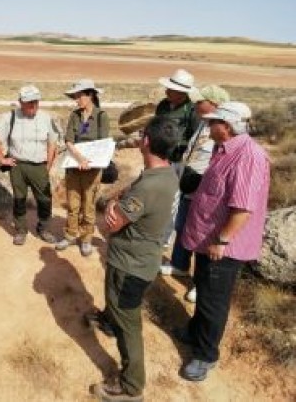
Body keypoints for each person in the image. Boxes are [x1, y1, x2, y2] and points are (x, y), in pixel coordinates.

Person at [89, 116, 180, 401]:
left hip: (130, 264)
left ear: (147, 142)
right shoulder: (165, 174)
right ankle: (107, 320)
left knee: (129, 324)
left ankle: (131, 386)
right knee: (118, 309)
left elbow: (111, 223)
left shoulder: (147, 186)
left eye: (142, 135)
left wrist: (116, 202)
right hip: (142, 259)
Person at [177, 102, 269, 382]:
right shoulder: (224, 148)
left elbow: (242, 208)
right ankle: (195, 331)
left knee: (213, 301)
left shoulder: (248, 157)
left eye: (213, 122)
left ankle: (205, 355)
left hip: (223, 245)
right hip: (208, 238)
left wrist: (221, 240)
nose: (208, 125)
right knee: (203, 287)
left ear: (226, 127)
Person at [160, 86, 230, 304]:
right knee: (182, 226)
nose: (196, 104)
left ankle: (202, 285)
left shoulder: (224, 131)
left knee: (204, 237)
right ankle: (179, 265)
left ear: (214, 104)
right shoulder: (203, 123)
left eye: (201, 101)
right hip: (189, 187)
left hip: (207, 193)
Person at [0, 85, 59, 245]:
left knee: (44, 199)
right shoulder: (11, 117)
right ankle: (21, 230)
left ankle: (44, 229)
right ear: (20, 102)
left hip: (39, 166)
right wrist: (2, 159)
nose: (33, 105)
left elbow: (52, 142)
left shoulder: (46, 118)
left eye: (35, 101)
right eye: (29, 102)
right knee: (19, 199)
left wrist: (48, 165)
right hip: (17, 166)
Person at [55, 79, 109, 256]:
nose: (76, 100)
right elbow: (68, 141)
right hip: (74, 167)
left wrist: (88, 162)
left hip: (93, 170)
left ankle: (86, 239)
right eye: (75, 96)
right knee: (73, 204)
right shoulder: (74, 115)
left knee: (89, 206)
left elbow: (102, 145)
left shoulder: (102, 116)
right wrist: (79, 159)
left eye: (79, 96)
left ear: (90, 95)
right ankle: (70, 235)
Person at [155, 69, 200, 247]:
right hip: (158, 157)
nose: (166, 91)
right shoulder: (163, 105)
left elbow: (193, 139)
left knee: (172, 199)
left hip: (177, 162)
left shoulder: (192, 112)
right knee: (155, 194)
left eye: (170, 89)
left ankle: (165, 238)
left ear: (182, 93)